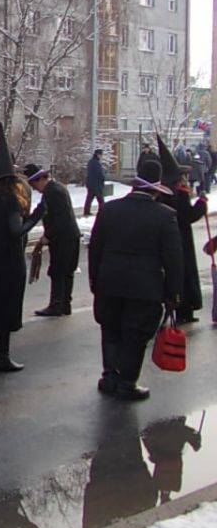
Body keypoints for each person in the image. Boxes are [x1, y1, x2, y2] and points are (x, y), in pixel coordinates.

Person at [88, 159, 182, 401]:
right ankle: (127, 382)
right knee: (135, 335)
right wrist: (173, 294)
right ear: (156, 189)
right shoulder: (165, 217)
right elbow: (173, 260)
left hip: (109, 283)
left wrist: (95, 282)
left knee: (110, 330)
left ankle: (109, 377)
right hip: (145, 289)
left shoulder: (109, 210)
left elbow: (95, 250)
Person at [0, 124, 45, 372]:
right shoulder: (10, 198)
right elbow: (16, 231)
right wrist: (36, 216)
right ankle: (2, 356)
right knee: (4, 305)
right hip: (6, 264)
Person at [157, 135, 207, 324]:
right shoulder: (180, 193)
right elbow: (187, 217)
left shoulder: (162, 193)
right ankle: (184, 309)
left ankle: (174, 306)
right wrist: (201, 203)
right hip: (181, 241)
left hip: (168, 241)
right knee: (184, 274)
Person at [25, 164, 81, 317]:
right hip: (70, 236)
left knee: (58, 272)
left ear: (41, 179)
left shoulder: (53, 192)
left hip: (63, 238)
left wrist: (47, 236)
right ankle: (65, 305)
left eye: (34, 184)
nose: (35, 188)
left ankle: (56, 305)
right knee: (67, 272)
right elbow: (40, 211)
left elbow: (61, 219)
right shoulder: (55, 189)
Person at [83, 149, 106, 217]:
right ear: (98, 155)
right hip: (97, 184)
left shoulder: (90, 162)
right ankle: (102, 212)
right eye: (101, 155)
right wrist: (103, 179)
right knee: (100, 199)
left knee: (89, 198)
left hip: (90, 184)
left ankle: (86, 211)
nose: (102, 156)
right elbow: (99, 174)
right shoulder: (96, 163)